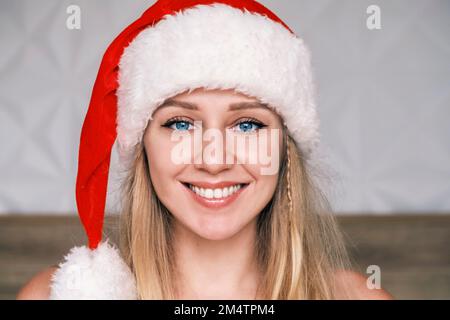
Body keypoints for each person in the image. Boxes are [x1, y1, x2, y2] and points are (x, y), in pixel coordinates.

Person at [17, 0, 393, 300]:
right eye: (180, 124)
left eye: (248, 125)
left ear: (285, 149)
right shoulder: (60, 295)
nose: (214, 160)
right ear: (144, 147)